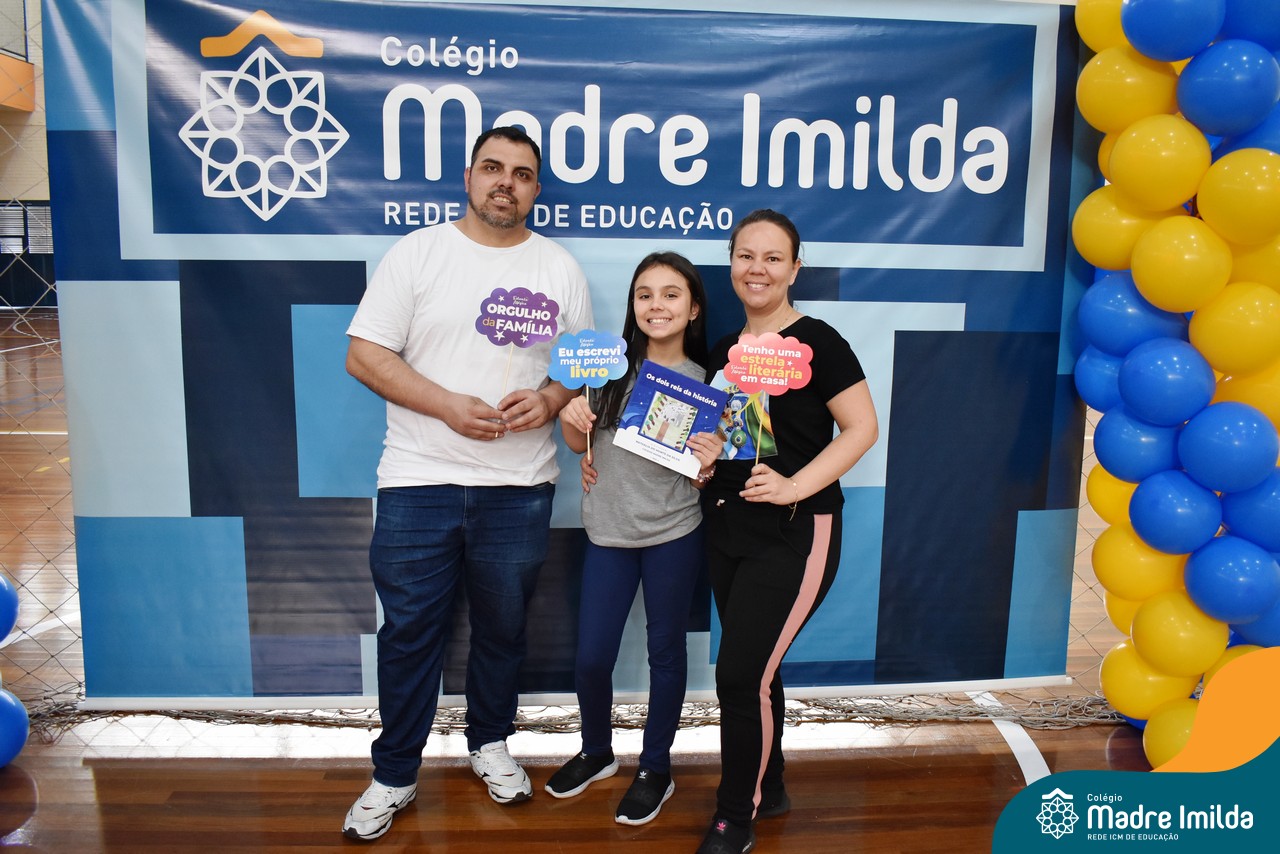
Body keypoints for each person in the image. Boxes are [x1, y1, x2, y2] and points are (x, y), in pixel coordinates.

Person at [341, 126, 594, 842]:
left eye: (521, 173)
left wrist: (548, 398)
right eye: (492, 168)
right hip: (417, 481)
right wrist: (446, 405)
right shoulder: (418, 254)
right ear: (469, 177)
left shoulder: (559, 268)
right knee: (409, 634)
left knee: (503, 630)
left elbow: (581, 367)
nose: (505, 182)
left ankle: (490, 742)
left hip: (519, 487)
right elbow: (364, 355)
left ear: (535, 189)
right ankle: (395, 772)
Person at [696, 209, 879, 854]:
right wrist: (707, 458)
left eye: (773, 258)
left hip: (796, 533)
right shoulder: (726, 349)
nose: (758, 269)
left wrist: (796, 486)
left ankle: (734, 817)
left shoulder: (819, 341)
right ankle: (768, 787)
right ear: (731, 263)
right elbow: (737, 440)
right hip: (728, 529)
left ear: (795, 269)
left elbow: (862, 428)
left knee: (739, 675)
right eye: (746, 255)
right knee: (759, 669)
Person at [545, 252, 722, 826]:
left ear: (693, 309)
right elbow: (581, 447)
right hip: (608, 533)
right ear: (633, 306)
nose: (656, 305)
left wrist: (709, 464)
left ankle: (655, 768)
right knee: (592, 657)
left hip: (674, 532)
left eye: (671, 294)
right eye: (644, 294)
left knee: (665, 653)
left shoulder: (709, 384)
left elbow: (707, 472)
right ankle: (597, 751)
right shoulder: (607, 369)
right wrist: (573, 416)